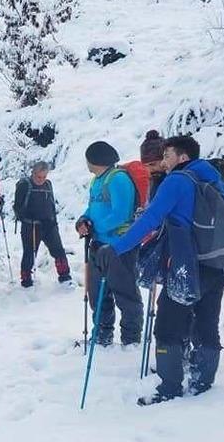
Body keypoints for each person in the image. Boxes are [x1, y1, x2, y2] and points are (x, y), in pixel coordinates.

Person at [100, 135, 224, 405]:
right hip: (214, 266)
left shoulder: (177, 181)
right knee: (206, 325)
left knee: (168, 326)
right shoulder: (211, 177)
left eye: (167, 156)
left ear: (182, 157)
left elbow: (152, 219)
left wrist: (118, 247)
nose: (164, 162)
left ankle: (170, 388)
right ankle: (203, 381)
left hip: (184, 266)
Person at [75, 141, 143, 347]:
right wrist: (83, 221)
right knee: (97, 294)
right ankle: (102, 334)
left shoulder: (118, 179)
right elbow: (92, 208)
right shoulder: (97, 181)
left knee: (125, 292)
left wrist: (96, 227)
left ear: (95, 159)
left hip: (119, 246)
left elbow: (121, 214)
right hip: (98, 244)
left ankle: (131, 339)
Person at [13, 161, 71, 287]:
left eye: (44, 177)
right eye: (39, 177)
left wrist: (54, 221)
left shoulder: (48, 184)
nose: (41, 180)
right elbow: (17, 207)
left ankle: (65, 277)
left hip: (48, 224)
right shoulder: (24, 185)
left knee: (58, 250)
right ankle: (26, 280)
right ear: (33, 173)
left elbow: (51, 203)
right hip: (31, 225)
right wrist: (26, 217)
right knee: (29, 252)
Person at [141, 130, 167, 200]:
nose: (149, 169)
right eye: (145, 166)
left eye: (152, 164)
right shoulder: (151, 182)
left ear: (164, 159)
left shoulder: (177, 180)